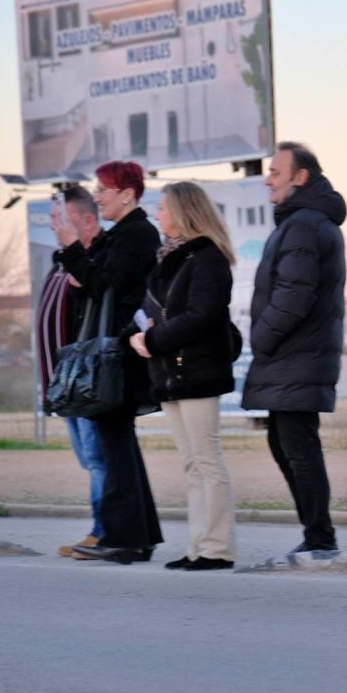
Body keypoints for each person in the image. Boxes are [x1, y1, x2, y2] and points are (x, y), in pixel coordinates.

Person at [126, 182, 239, 571]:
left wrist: (152, 339)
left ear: (183, 211)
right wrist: (136, 336)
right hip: (169, 372)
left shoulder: (207, 258)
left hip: (197, 371)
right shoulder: (168, 260)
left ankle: (217, 548)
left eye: (163, 208)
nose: (158, 215)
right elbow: (156, 312)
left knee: (207, 459)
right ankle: (198, 546)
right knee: (191, 462)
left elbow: (201, 317)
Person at [242, 142, 347, 555]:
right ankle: (316, 533)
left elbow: (293, 296)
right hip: (294, 356)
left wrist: (261, 338)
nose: (268, 179)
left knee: (298, 447)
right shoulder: (301, 222)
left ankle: (320, 538)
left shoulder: (304, 224)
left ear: (300, 177)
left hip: (296, 355)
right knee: (286, 444)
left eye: (275, 172)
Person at [60, 161, 164, 565]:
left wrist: (72, 250)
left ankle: (123, 537)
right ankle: (137, 536)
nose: (98, 196)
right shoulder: (123, 234)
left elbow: (105, 284)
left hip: (117, 355)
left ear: (127, 194)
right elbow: (92, 281)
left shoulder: (138, 234)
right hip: (114, 353)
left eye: (103, 189)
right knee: (120, 446)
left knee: (116, 445)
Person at [38, 185, 106, 557]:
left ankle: (102, 531)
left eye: (59, 219)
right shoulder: (61, 262)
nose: (52, 226)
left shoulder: (91, 261)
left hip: (84, 381)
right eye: (50, 218)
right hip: (63, 384)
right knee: (88, 459)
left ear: (87, 220)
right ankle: (102, 528)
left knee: (96, 459)